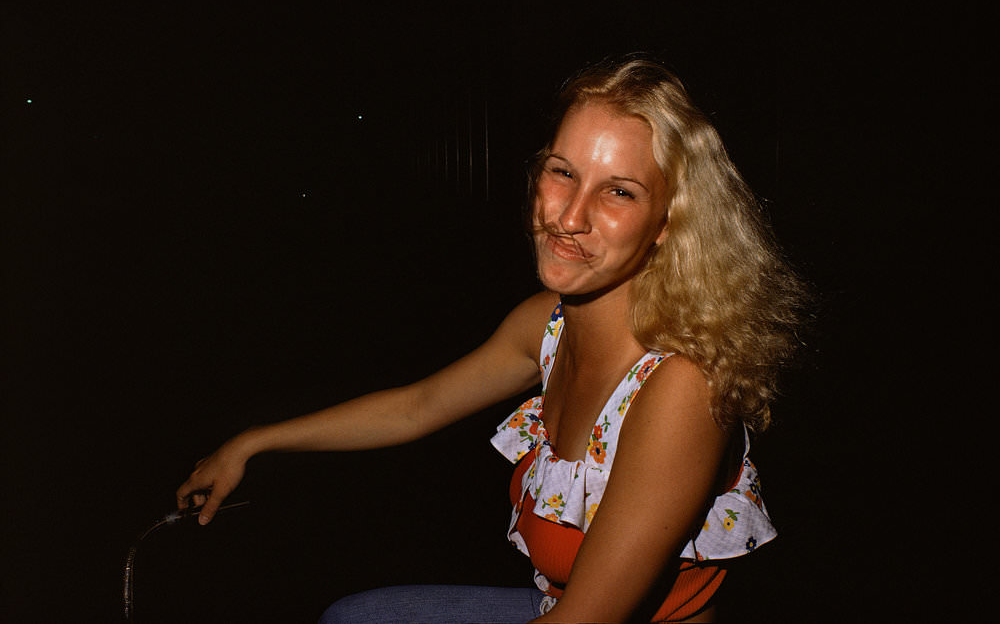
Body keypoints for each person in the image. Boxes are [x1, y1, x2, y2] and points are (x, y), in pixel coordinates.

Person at [176, 55, 808, 623]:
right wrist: (252, 443)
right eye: (563, 172)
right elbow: (415, 407)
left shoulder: (680, 388)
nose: (568, 216)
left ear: (668, 223)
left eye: (618, 191)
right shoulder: (548, 325)